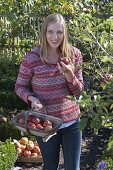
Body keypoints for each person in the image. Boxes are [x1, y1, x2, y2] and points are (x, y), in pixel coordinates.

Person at [15, 13, 84, 170]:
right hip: (46, 123)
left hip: (72, 122)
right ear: (44, 33)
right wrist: (31, 98)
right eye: (50, 32)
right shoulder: (31, 59)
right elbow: (19, 87)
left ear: (64, 33)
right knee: (51, 167)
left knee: (73, 167)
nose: (55, 37)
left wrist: (69, 75)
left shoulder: (74, 55)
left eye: (59, 32)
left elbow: (79, 92)